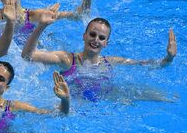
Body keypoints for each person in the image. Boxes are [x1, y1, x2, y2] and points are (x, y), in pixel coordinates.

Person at [21, 9, 177, 101]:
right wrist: (41, 26)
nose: (96, 40)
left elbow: (147, 64)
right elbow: (28, 56)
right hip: (75, 104)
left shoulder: (111, 61)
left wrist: (168, 58)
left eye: (101, 38)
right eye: (92, 34)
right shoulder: (67, 59)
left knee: (150, 95)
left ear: (106, 43)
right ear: (84, 36)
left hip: (105, 100)